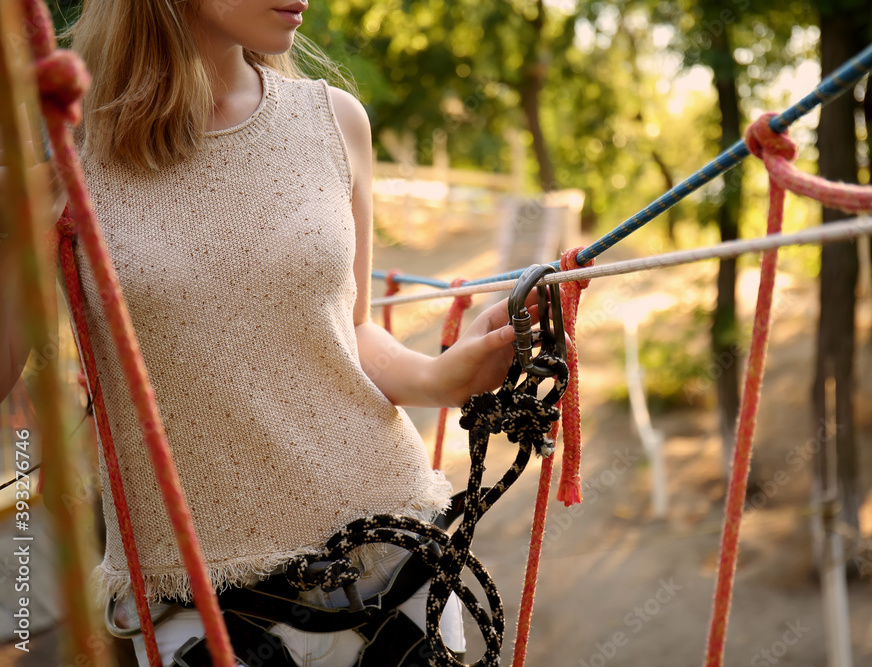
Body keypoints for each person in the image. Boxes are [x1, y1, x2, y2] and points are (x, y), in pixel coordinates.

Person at [59, 1, 524, 664]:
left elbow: (352, 327)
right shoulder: (64, 150)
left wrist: (442, 377)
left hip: (389, 560)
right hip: (194, 603)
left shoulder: (335, 121)